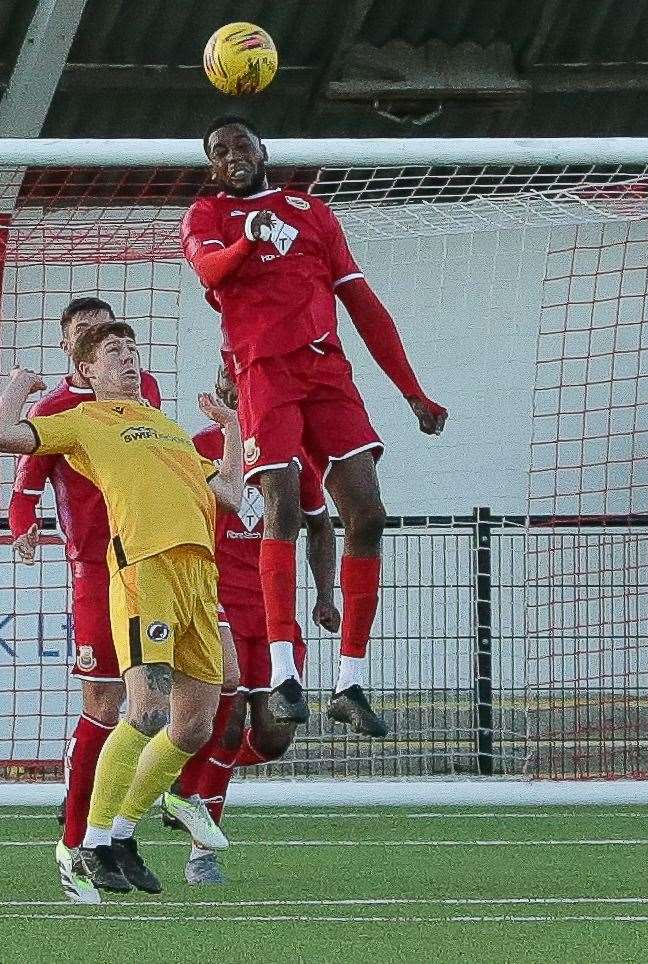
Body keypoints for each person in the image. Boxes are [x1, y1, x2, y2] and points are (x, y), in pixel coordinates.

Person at [181, 115, 448, 736]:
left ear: (264, 149)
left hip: (327, 373)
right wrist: (249, 237)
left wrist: (413, 393)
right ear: (211, 166)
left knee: (368, 513)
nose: (231, 155)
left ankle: (350, 681)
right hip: (263, 375)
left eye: (241, 144)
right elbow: (211, 272)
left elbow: (363, 304)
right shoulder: (206, 215)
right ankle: (283, 676)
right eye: (218, 151)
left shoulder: (313, 213)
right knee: (282, 505)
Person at [0, 320, 245, 898]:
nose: (128, 360)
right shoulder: (82, 421)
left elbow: (229, 496)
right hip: (144, 571)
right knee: (145, 709)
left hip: (199, 575)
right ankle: (92, 844)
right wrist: (18, 388)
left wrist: (230, 430)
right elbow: (2, 437)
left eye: (132, 351)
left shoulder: (166, 427)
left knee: (197, 722)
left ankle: (124, 830)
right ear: (85, 372)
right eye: (112, 354)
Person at [5, 297, 167, 902]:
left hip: (152, 566)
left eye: (111, 337)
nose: (105, 347)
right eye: (89, 338)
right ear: (70, 349)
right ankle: (74, 841)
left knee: (160, 706)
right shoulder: (55, 413)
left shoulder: (141, 392)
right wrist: (23, 526)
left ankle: (116, 833)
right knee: (105, 703)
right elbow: (24, 487)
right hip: (96, 573)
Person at [160, 362, 339, 885]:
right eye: (225, 385)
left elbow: (320, 524)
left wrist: (326, 596)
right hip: (215, 608)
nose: (234, 394)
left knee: (276, 733)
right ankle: (202, 851)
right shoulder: (195, 447)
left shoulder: (291, 453)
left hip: (274, 614)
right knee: (228, 718)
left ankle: (187, 777)